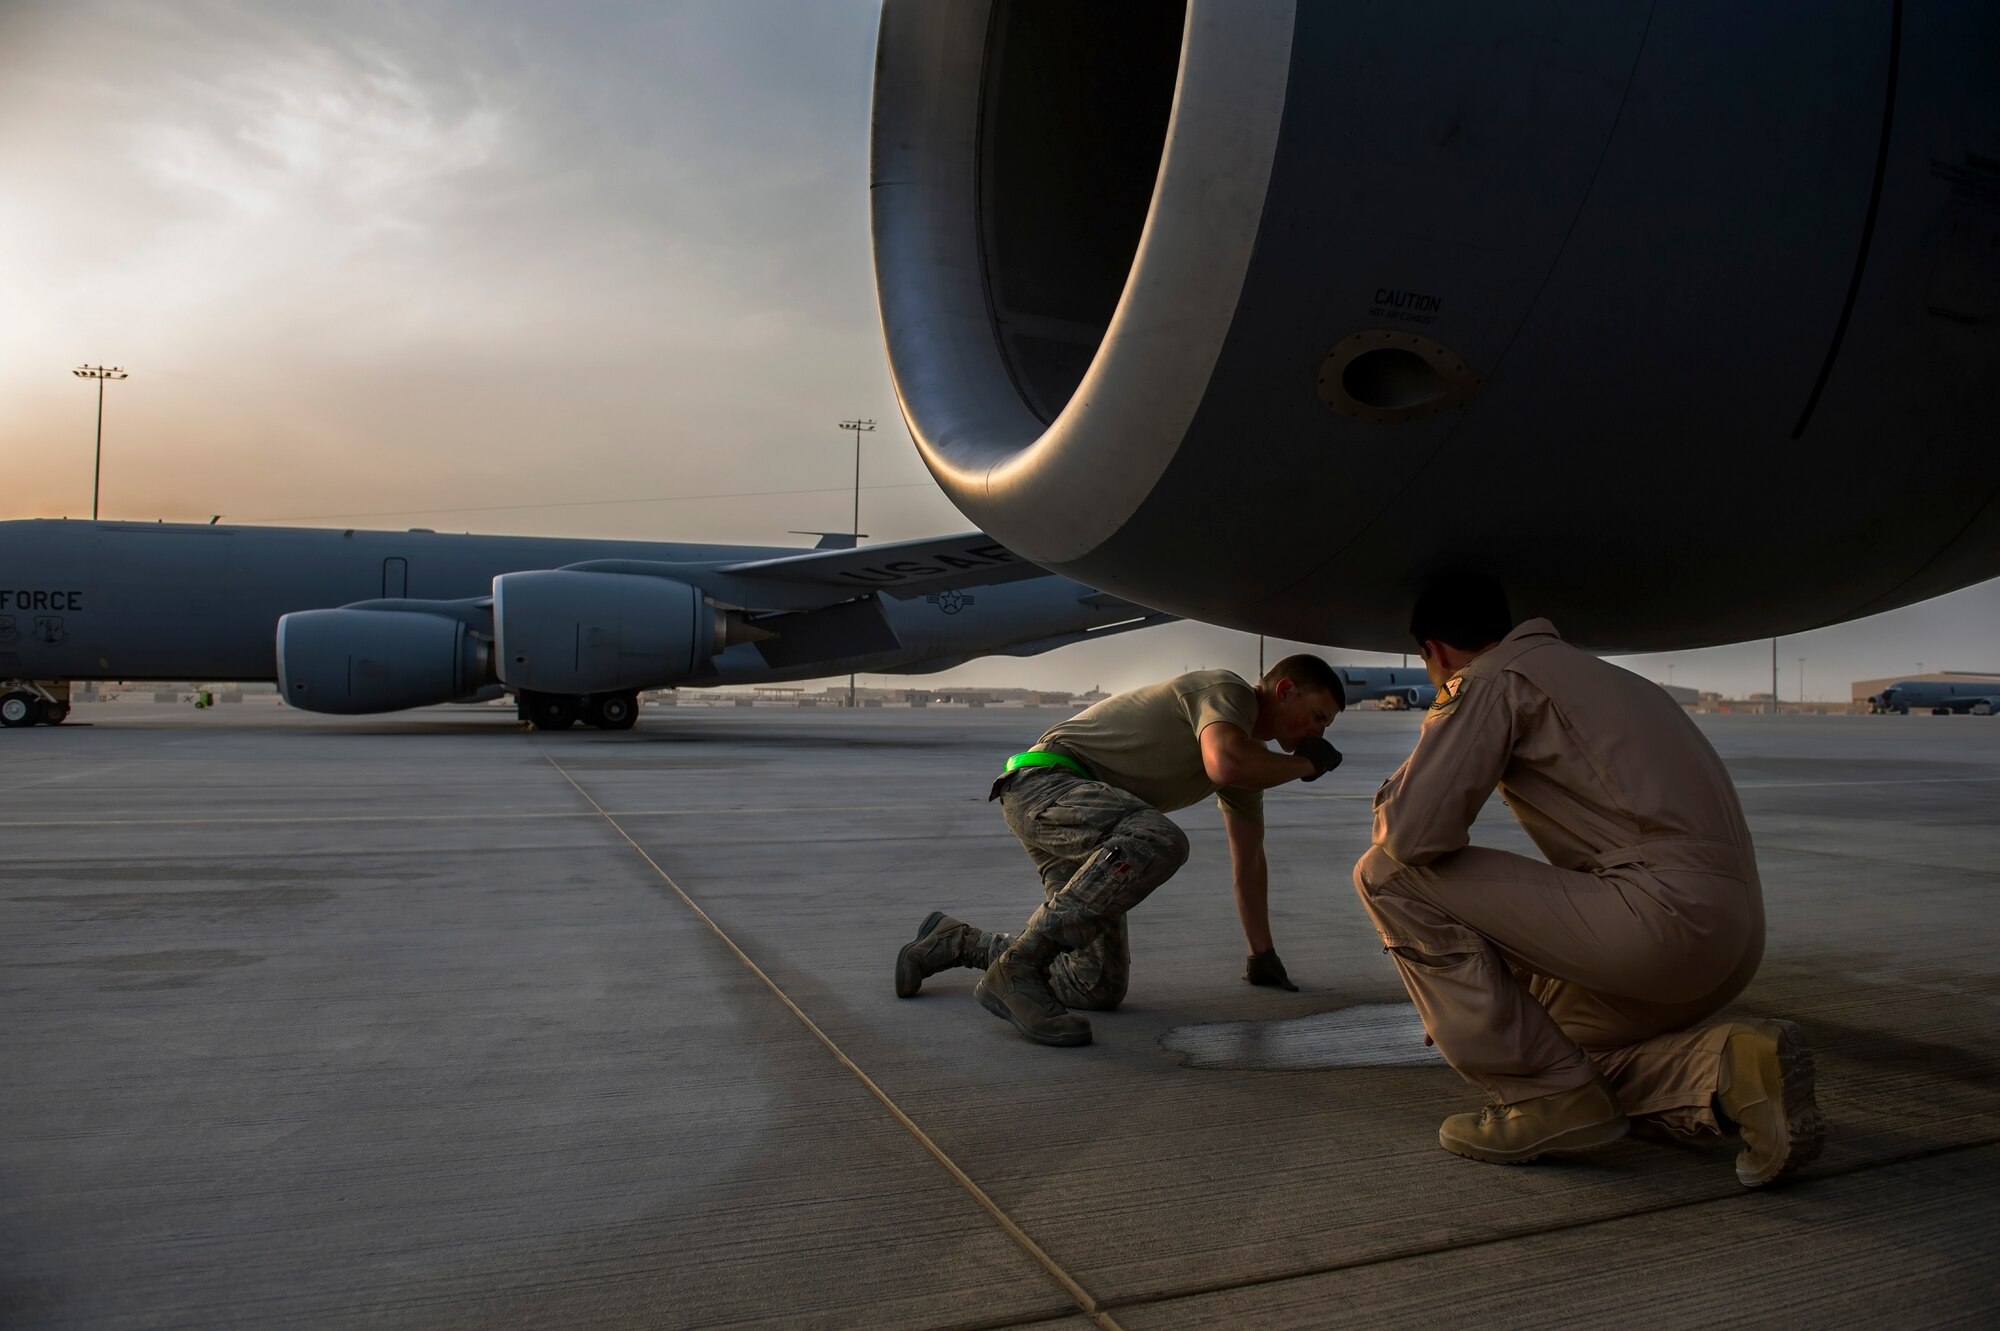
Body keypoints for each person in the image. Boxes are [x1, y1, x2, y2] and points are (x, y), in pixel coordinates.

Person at [1354, 575, 1824, 1187]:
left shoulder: (1493, 677)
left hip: (1657, 921)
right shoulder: (1614, 680)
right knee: (1564, 1052)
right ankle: (1730, 1069)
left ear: (1435, 651)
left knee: (1387, 875)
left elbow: (1411, 835)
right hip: (1730, 937)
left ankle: (1543, 1099)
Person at [896, 657, 1346, 1047]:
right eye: (1317, 716)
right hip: (1046, 783)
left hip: (1083, 820)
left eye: (1324, 726)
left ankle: (956, 941)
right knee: (1159, 839)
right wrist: (1307, 764)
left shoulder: (1248, 759)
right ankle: (1017, 972)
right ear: (1285, 690)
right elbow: (1224, 762)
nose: (1318, 731)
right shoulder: (1227, 692)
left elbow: (1249, 860)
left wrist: (1262, 957)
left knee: (1096, 986)